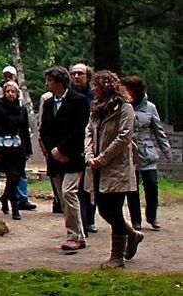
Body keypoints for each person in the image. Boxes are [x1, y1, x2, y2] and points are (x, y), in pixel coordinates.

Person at [84, 70, 141, 269]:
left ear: (106, 87)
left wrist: (103, 158)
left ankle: (117, 257)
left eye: (96, 86)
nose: (93, 89)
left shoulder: (124, 108)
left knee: (113, 210)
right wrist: (90, 155)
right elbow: (89, 131)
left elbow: (123, 137)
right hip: (97, 166)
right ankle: (132, 234)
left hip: (116, 168)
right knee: (103, 209)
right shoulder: (96, 108)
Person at [38, 65, 90, 252]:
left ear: (59, 81)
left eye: (50, 80)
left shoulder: (80, 101)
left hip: (73, 157)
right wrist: (53, 150)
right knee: (63, 197)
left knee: (69, 192)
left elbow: (81, 129)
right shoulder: (48, 103)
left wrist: (63, 149)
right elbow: (44, 129)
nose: (47, 84)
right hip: (54, 158)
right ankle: (79, 235)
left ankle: (74, 236)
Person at [122, 76, 171, 231]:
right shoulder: (123, 106)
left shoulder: (150, 107)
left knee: (151, 185)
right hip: (129, 153)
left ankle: (152, 216)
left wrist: (166, 150)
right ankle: (136, 220)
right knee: (132, 188)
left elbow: (158, 131)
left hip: (146, 152)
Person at [0, 66, 34, 211]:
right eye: (8, 91)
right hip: (2, 145)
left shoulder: (21, 105)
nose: (10, 94)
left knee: (16, 175)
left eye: (13, 91)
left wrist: (27, 149)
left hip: (17, 146)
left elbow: (24, 128)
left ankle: (11, 198)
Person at [70, 63, 98, 234]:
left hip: (92, 144)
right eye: (73, 73)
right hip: (74, 144)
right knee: (76, 187)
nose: (76, 76)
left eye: (80, 73)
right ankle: (80, 220)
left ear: (88, 76)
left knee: (90, 185)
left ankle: (90, 218)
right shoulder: (68, 95)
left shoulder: (94, 96)